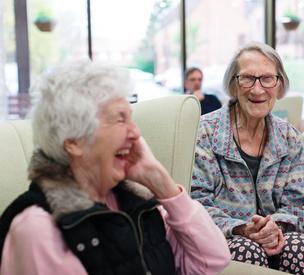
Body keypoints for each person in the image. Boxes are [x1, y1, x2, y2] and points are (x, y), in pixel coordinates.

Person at [0, 61, 231, 275]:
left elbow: (213, 260)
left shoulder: (136, 201)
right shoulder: (39, 231)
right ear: (73, 141)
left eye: (131, 117)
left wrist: (163, 183)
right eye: (120, 120)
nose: (136, 132)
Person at [191, 42, 304, 274]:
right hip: (226, 239)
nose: (258, 89)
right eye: (248, 78)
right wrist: (242, 229)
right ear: (233, 85)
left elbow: (299, 205)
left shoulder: (289, 137)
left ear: (279, 85)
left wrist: (275, 226)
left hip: (279, 237)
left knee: (302, 247)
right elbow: (198, 203)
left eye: (267, 79)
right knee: (246, 250)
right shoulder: (205, 132)